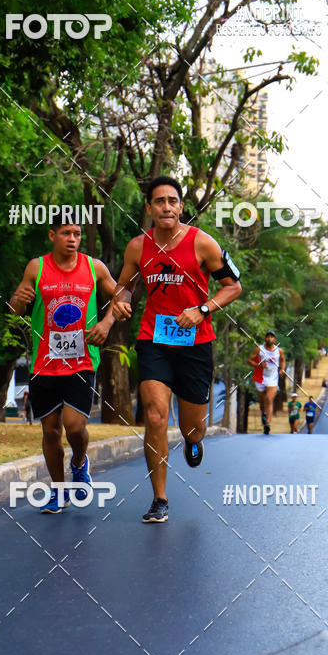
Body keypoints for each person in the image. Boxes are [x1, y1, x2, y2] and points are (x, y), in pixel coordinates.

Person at [112, 175, 242, 524]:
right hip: (154, 338)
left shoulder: (203, 244)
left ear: (181, 206)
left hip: (196, 344)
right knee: (154, 414)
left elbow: (233, 286)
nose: (166, 207)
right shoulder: (137, 247)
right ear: (149, 208)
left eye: (172, 201)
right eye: (159, 201)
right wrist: (120, 303)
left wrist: (202, 310)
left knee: (192, 426)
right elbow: (123, 288)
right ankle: (159, 498)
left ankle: (193, 440)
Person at [9, 214, 117, 513]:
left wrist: (106, 324)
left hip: (82, 360)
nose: (72, 239)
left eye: (77, 233)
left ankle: (80, 462)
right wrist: (18, 299)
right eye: (66, 233)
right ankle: (58, 491)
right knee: (51, 431)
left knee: (73, 425)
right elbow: (15, 308)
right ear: (52, 235)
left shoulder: (94, 267)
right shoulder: (37, 266)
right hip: (45, 362)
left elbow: (121, 296)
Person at [248, 330, 286, 434]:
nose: (269, 339)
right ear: (265, 338)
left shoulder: (279, 351)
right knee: (262, 402)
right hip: (260, 378)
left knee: (269, 399)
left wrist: (282, 369)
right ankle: (263, 413)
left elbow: (283, 360)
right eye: (268, 337)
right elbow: (249, 361)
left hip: (272, 379)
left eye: (272, 337)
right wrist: (259, 365)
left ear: (275, 339)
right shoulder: (259, 349)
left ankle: (267, 424)